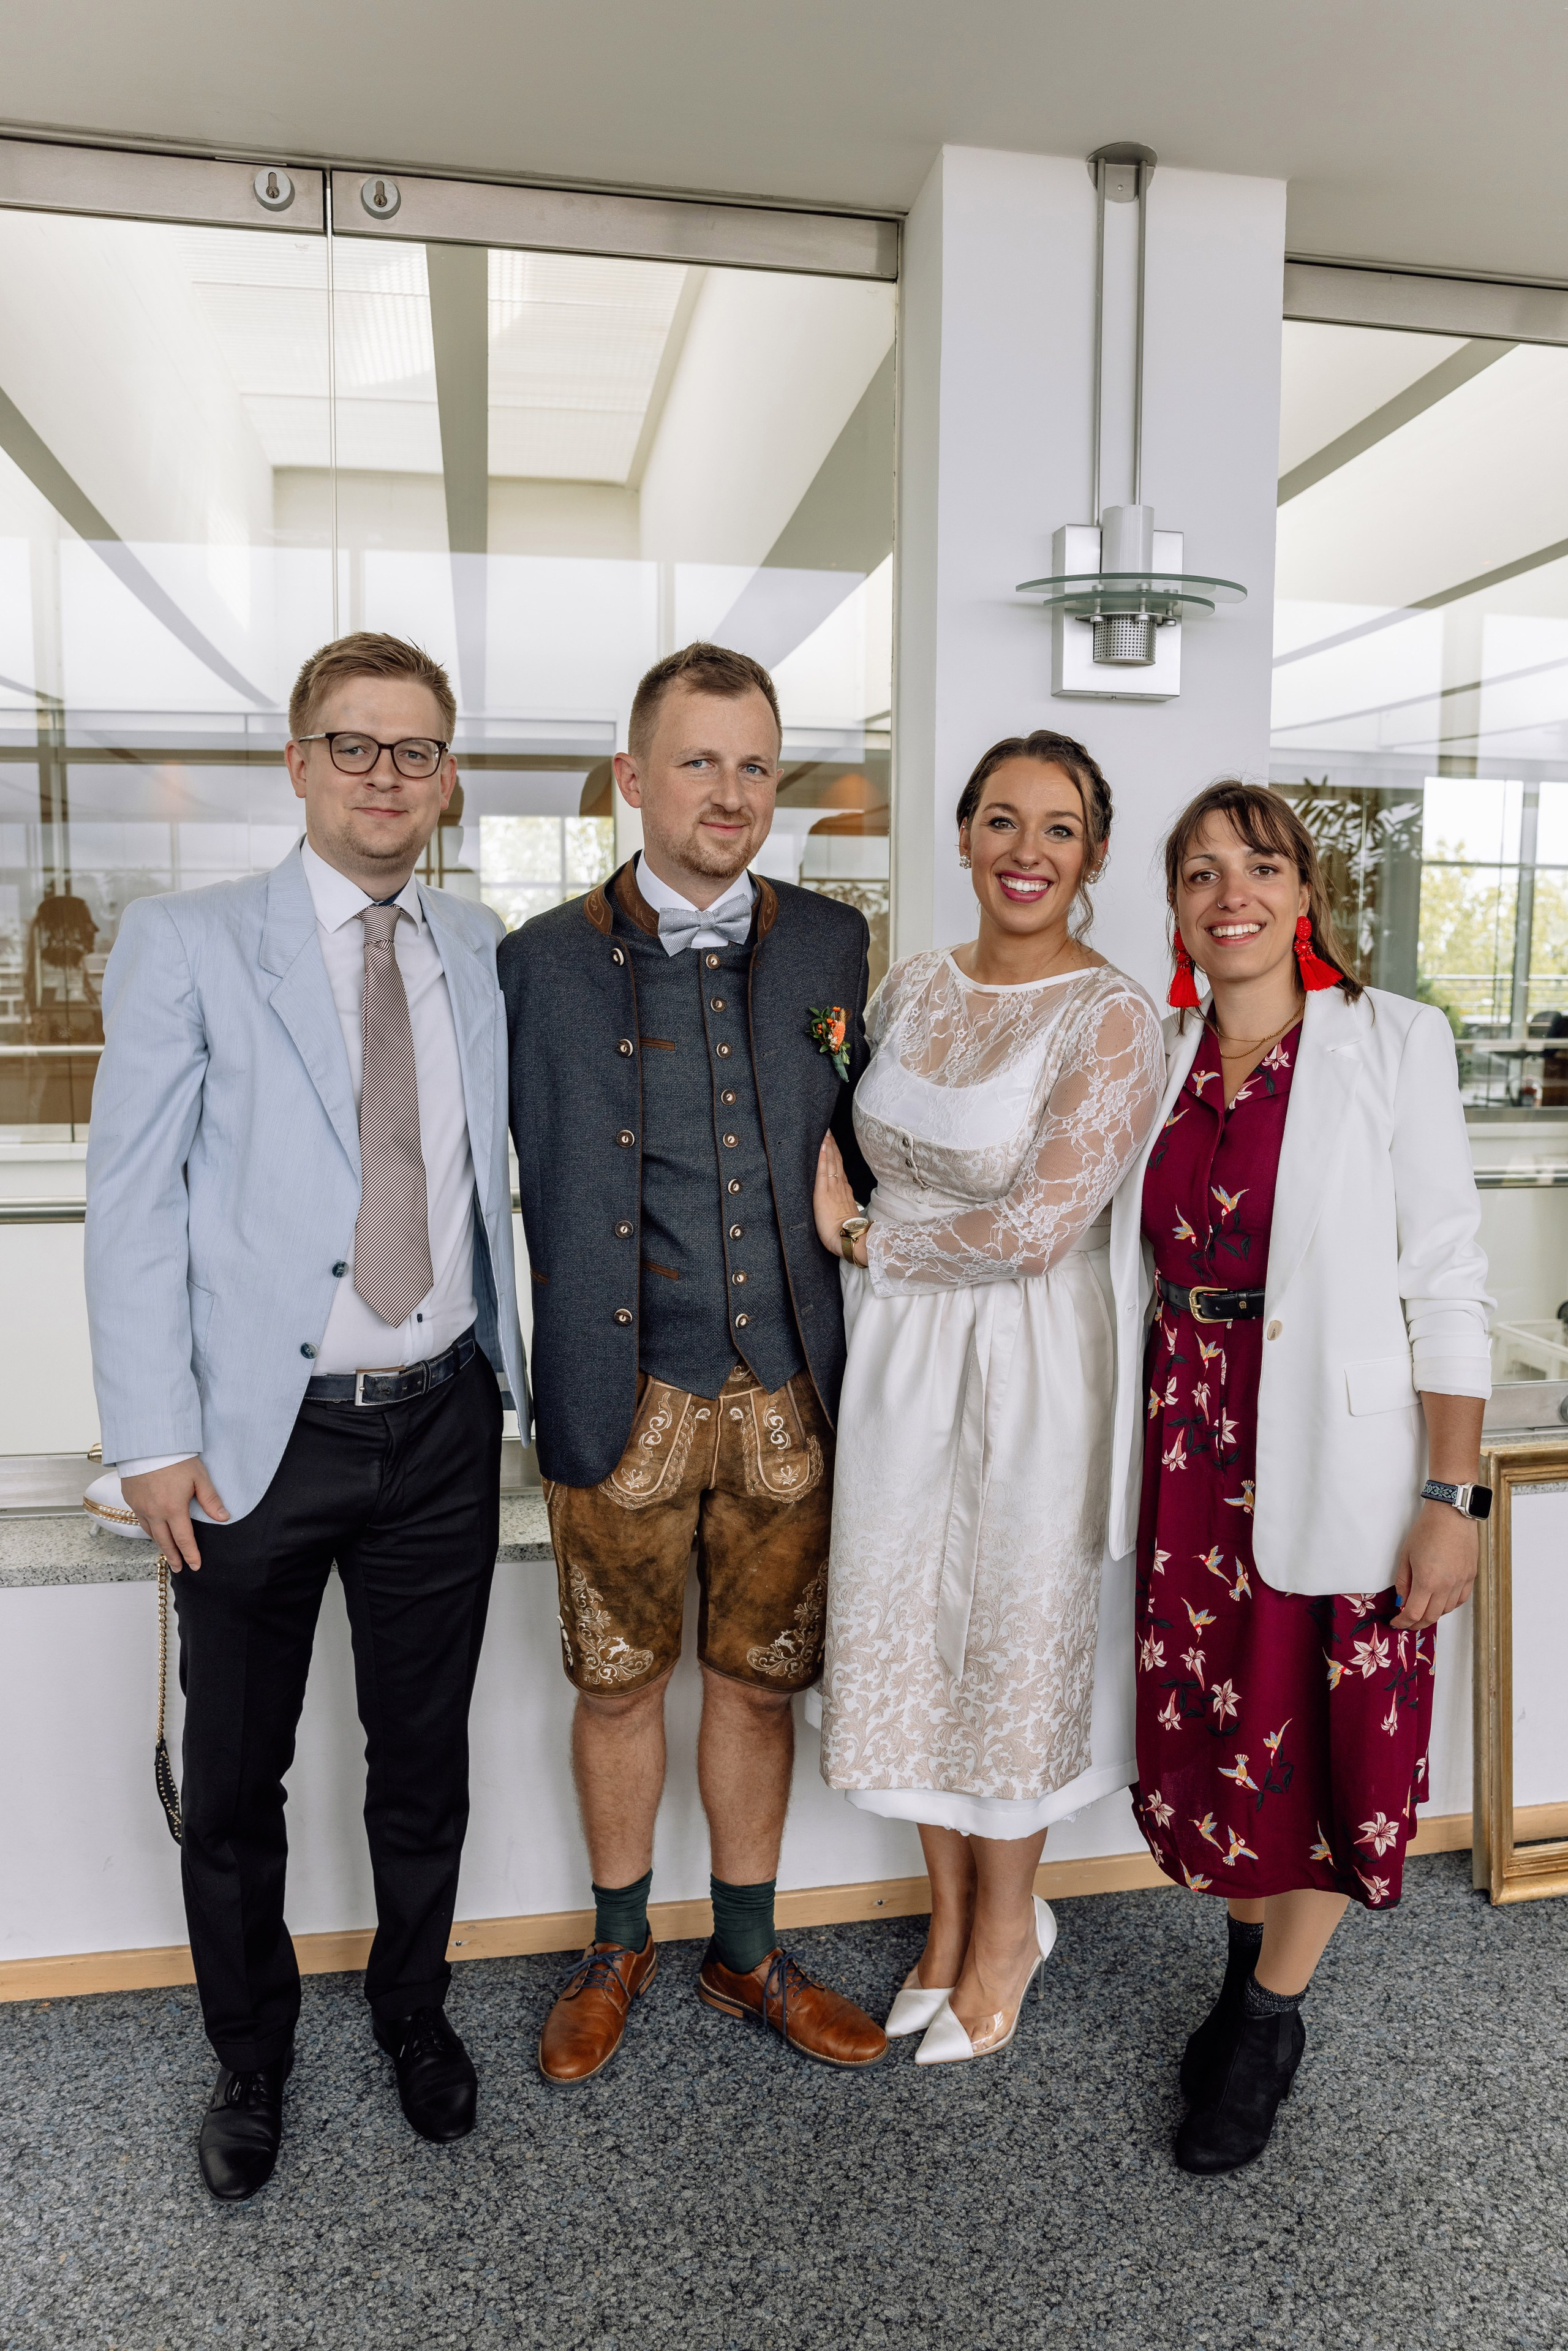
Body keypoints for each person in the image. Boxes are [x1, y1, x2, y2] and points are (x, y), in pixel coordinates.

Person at [84, 633, 526, 2200]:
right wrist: (148, 1438)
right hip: (257, 1436)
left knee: (421, 1760)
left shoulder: (480, 948)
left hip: (443, 1424)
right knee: (234, 1779)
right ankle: (251, 2051)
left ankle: (413, 2008)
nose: (384, 777)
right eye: (353, 746)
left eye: (413, 751)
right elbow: (130, 1203)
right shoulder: (187, 942)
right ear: (297, 760)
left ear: (447, 772)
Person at [499, 641, 888, 2080]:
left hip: (794, 1384)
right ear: (631, 776)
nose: (730, 792)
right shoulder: (532, 959)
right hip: (619, 1393)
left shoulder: (835, 946)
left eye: (753, 764)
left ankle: (744, 1953)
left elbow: (873, 1144)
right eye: (699, 760)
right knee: (612, 1682)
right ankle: (616, 1943)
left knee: (755, 1681)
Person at [1109, 779, 1492, 2174]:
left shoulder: (1390, 1041)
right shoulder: (1152, 1055)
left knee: (1323, 1743)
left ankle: (1267, 2020)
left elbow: (1445, 1277)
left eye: (1257, 866)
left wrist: (1450, 1499)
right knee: (1226, 1739)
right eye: (1200, 871)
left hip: (1334, 1455)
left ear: (1303, 895)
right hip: (1188, 1453)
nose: (1230, 894)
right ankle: (1236, 1975)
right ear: (1173, 907)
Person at [813, 730, 1164, 2066]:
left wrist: (864, 1241)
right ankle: (948, 1918)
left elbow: (1034, 1225)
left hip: (1027, 1353)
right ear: (958, 836)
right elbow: (855, 1138)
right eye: (1001, 821)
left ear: (1092, 855)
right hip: (898, 1353)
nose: (1027, 851)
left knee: (1008, 1629)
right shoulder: (907, 982)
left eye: (1059, 828)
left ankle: (1013, 1925)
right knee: (901, 1617)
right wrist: (857, 1239)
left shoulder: (1109, 1013)